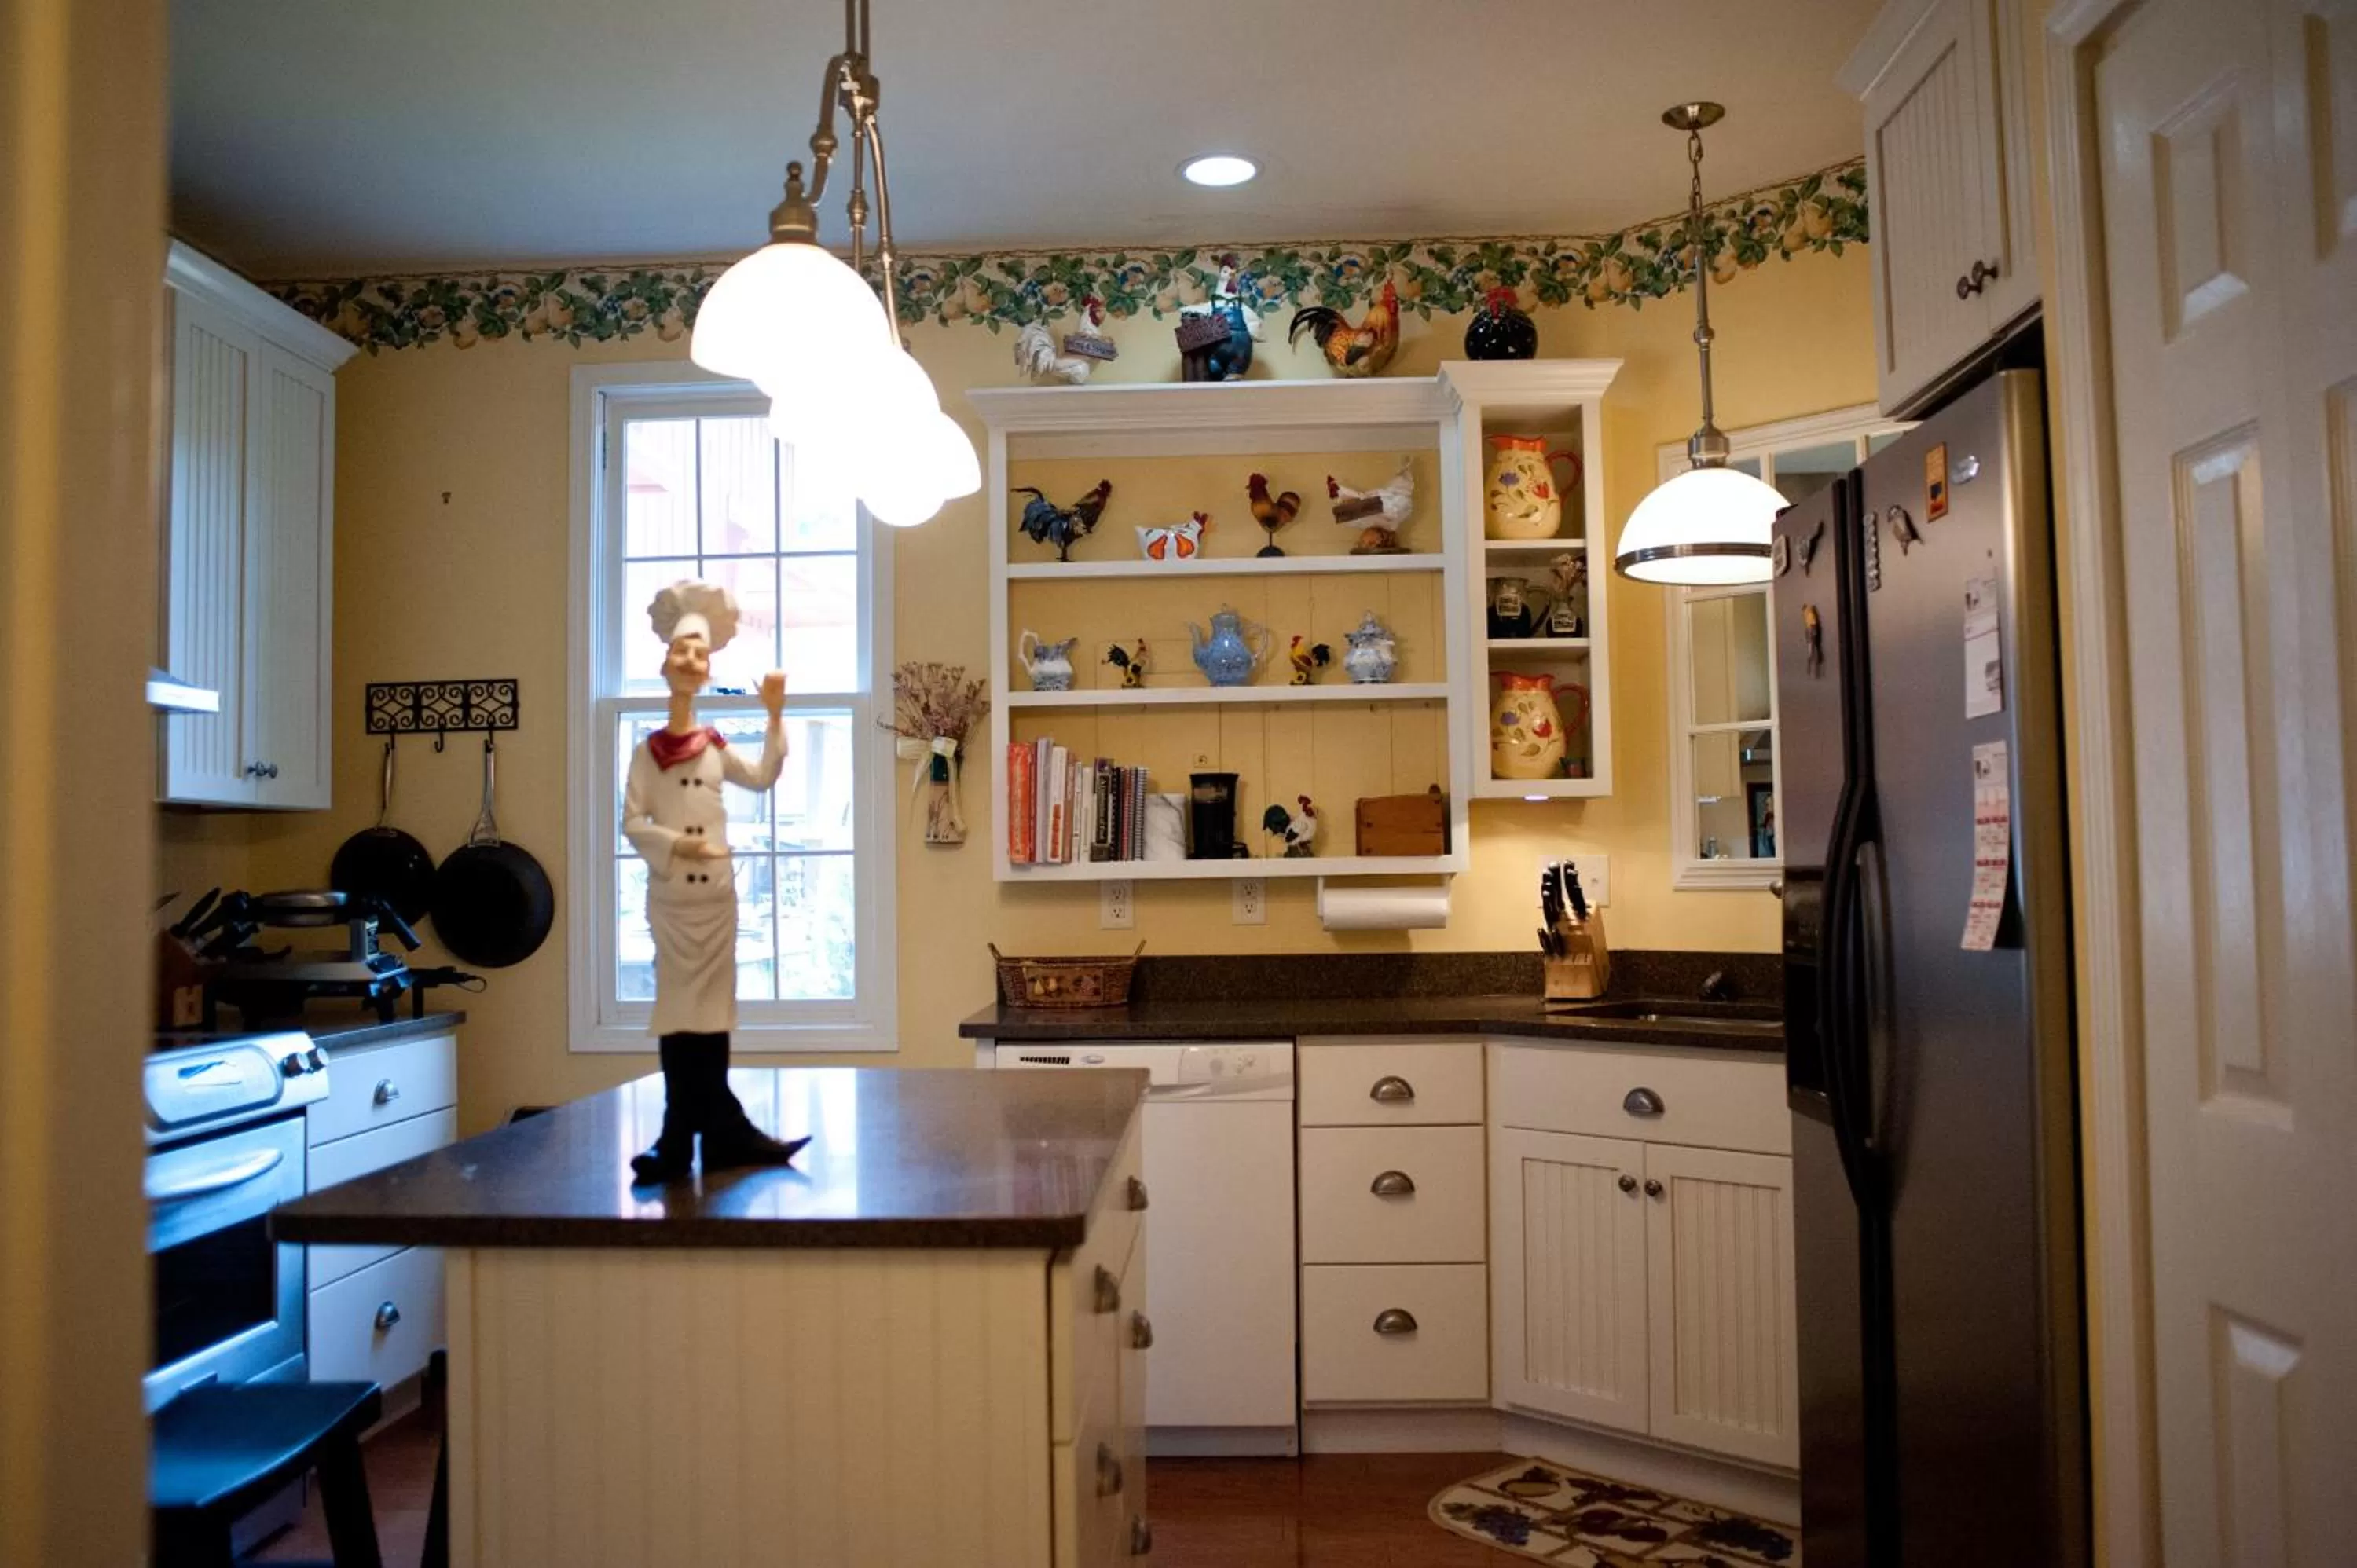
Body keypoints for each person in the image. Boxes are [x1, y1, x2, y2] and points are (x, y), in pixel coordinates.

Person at [621, 579, 810, 1182]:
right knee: (679, 1014)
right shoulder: (648, 754)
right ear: (665, 661)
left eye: (700, 654)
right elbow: (632, 823)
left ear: (707, 671)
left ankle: (687, 1141)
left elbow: (762, 775)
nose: (691, 661)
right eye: (683, 651)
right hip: (672, 900)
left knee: (714, 1014)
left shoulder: (714, 748)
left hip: (717, 899)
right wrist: (679, 843)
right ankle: (705, 1135)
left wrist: (775, 715)